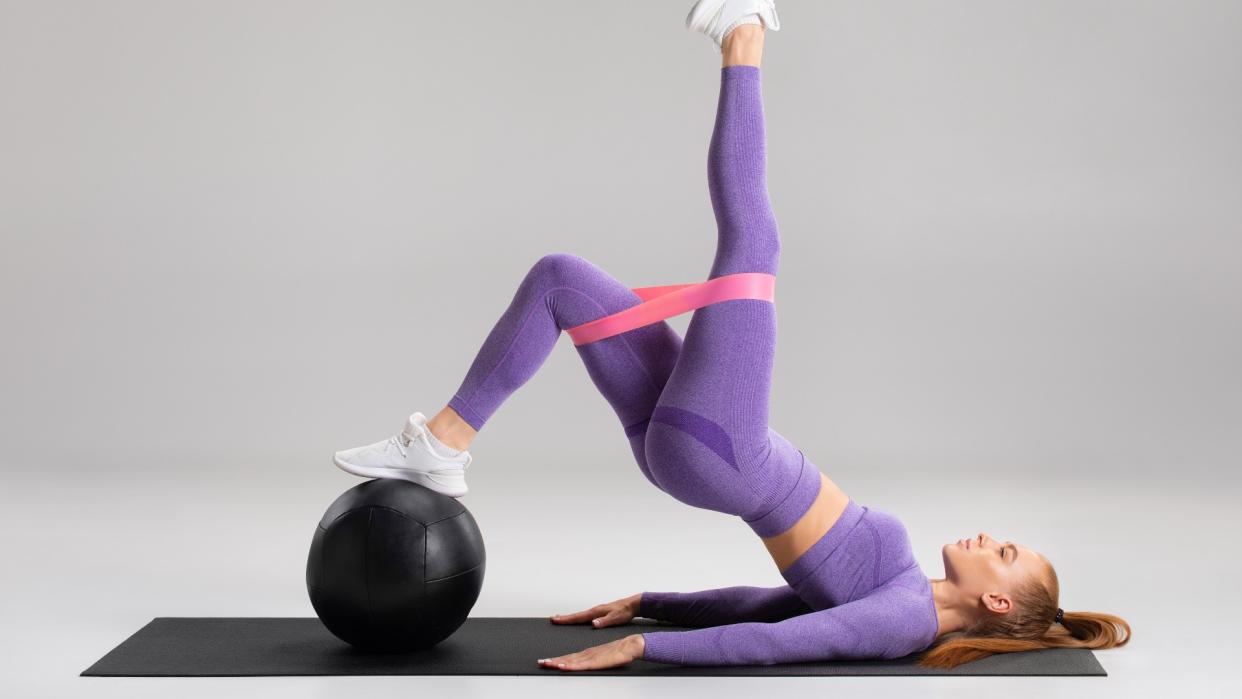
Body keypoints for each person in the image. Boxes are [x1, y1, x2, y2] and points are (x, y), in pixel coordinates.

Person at [332, 0, 1131, 671]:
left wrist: (645, 648)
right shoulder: (904, 588)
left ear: (996, 598)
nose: (993, 538)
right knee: (561, 279)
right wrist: (652, 601)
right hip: (694, 447)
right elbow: (771, 600)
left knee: (754, 248)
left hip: (725, 448)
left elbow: (779, 640)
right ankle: (443, 440)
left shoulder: (903, 621)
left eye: (1007, 552)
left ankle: (742, 32)